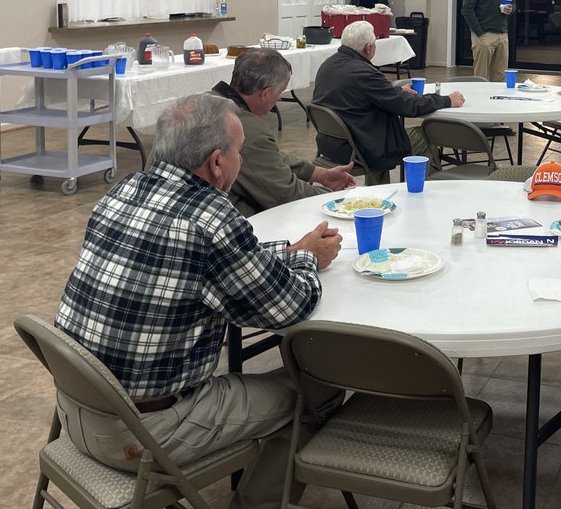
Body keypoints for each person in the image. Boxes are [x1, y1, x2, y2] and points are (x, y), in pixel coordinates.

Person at [54, 93, 345, 509]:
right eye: (239, 152)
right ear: (216, 162)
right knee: (317, 392)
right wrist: (308, 259)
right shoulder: (209, 216)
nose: (241, 162)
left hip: (76, 407)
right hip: (141, 432)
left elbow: (215, 261)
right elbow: (291, 305)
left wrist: (291, 249)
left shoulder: (124, 191)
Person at [312, 20, 464, 185]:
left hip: (330, 144)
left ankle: (377, 191)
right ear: (368, 48)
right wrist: (446, 100)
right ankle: (428, 190)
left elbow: (364, 96)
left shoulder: (328, 65)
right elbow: (408, 106)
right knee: (425, 136)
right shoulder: (364, 73)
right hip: (359, 147)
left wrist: (393, 92)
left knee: (380, 131)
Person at [212, 48, 355, 214]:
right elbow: (285, 194)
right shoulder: (245, 128)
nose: (279, 98)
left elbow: (268, 158)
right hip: (228, 218)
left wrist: (320, 174)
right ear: (265, 93)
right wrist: (334, 198)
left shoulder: (209, 100)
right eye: (280, 92)